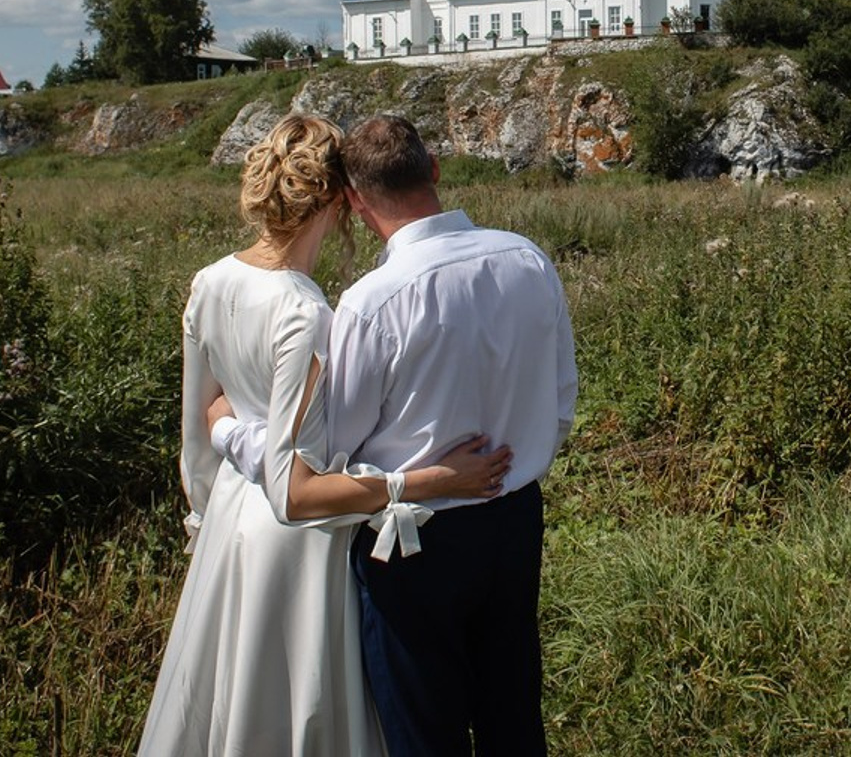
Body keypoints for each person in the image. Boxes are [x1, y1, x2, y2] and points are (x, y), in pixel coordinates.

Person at [138, 114, 511, 757]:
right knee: (298, 710)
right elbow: (299, 484)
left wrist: (209, 501)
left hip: (229, 517)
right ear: (341, 200)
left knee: (224, 698)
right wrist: (428, 480)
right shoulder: (306, 312)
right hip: (296, 540)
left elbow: (196, 429)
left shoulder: (211, 281)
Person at [222, 113, 578, 755]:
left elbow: (336, 451)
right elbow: (559, 399)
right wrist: (520, 463)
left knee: (422, 726)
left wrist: (236, 431)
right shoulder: (527, 257)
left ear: (356, 202)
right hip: (516, 515)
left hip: (416, 539)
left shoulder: (373, 301)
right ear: (434, 171)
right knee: (513, 708)